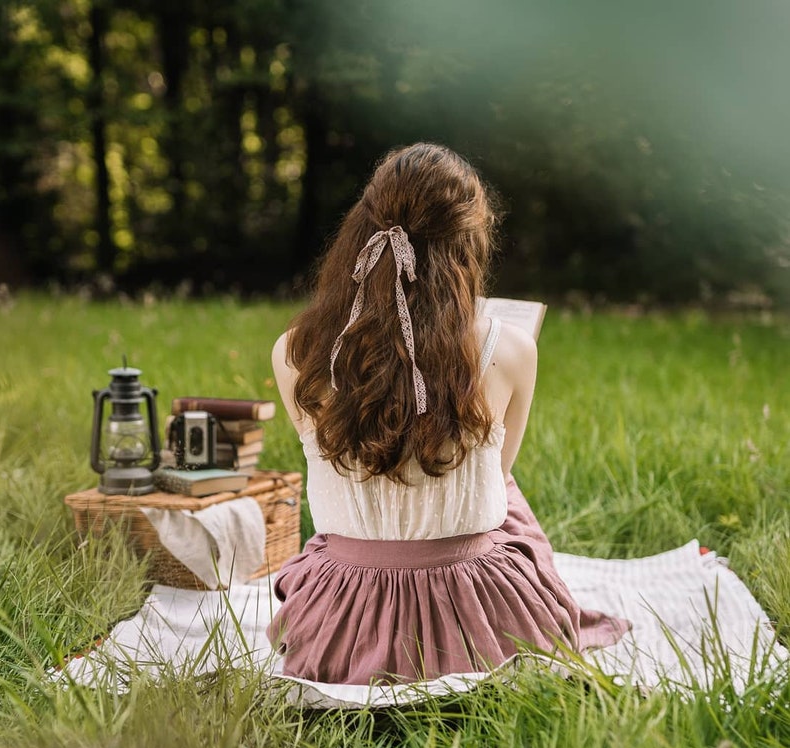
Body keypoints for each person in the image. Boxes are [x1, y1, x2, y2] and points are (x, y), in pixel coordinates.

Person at [267, 142, 629, 685]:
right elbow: (500, 478)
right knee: (506, 506)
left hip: (340, 622)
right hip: (482, 621)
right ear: (469, 242)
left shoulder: (295, 350)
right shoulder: (509, 350)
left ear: (361, 230)